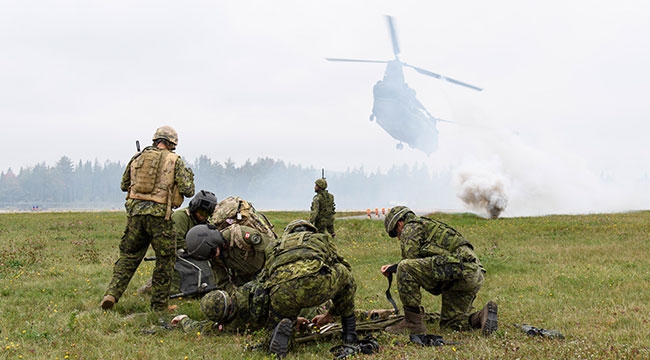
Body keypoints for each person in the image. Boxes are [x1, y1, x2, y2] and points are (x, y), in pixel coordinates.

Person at [181, 220, 357, 358]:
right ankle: (349, 335)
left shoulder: (242, 236)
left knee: (279, 319)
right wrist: (331, 312)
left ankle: (278, 342)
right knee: (345, 276)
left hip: (277, 289)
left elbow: (267, 264)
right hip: (301, 283)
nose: (215, 257)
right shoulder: (321, 239)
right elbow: (342, 266)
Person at [101, 125, 195, 312]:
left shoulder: (137, 158)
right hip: (160, 217)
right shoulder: (174, 160)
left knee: (128, 257)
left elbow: (124, 185)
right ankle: (159, 306)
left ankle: (111, 294)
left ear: (155, 140)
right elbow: (188, 190)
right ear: (172, 144)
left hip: (135, 215)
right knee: (165, 259)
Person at [380, 206, 498, 336]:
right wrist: (393, 267)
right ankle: (481, 316)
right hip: (472, 275)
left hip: (457, 270)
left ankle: (413, 323)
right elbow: (421, 263)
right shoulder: (427, 226)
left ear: (400, 223)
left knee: (404, 267)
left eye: (397, 233)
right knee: (451, 324)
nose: (398, 238)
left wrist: (394, 268)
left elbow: (409, 263)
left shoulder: (410, 228)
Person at [137, 190, 218, 295]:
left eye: (207, 214)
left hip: (193, 253)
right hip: (178, 252)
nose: (203, 216)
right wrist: (198, 251)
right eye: (201, 212)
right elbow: (176, 240)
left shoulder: (205, 223)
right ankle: (151, 287)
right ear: (194, 206)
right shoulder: (181, 217)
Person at [184, 222, 271, 294]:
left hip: (270, 266)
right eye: (210, 256)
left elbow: (271, 249)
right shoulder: (215, 258)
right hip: (251, 279)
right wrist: (237, 296)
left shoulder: (240, 235)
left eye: (213, 252)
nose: (215, 256)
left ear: (214, 240)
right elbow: (222, 282)